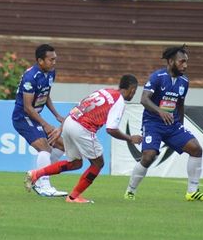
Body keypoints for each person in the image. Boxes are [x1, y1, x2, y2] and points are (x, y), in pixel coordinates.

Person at [25, 74, 142, 203]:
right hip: (82, 128)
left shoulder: (104, 91)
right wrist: (130, 138)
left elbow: (78, 107)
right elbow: (111, 129)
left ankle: (36, 174)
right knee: (98, 163)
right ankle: (73, 197)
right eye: (134, 91)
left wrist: (61, 128)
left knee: (75, 163)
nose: (133, 94)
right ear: (131, 89)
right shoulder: (119, 101)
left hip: (70, 121)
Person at [124, 45, 203, 202]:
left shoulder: (184, 81)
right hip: (153, 123)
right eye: (181, 62)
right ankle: (130, 190)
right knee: (148, 156)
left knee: (196, 149)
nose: (185, 65)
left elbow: (180, 105)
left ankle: (192, 191)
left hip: (173, 125)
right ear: (171, 61)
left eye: (186, 62)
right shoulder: (157, 77)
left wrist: (181, 126)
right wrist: (160, 111)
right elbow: (144, 99)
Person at [12, 44, 67, 197]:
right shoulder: (30, 77)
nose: (54, 62)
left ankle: (37, 176)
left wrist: (56, 115)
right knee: (45, 149)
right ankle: (44, 186)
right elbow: (28, 107)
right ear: (40, 61)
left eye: (55, 59)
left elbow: (46, 95)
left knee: (62, 145)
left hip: (35, 118)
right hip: (23, 117)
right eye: (51, 60)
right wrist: (46, 124)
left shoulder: (50, 73)